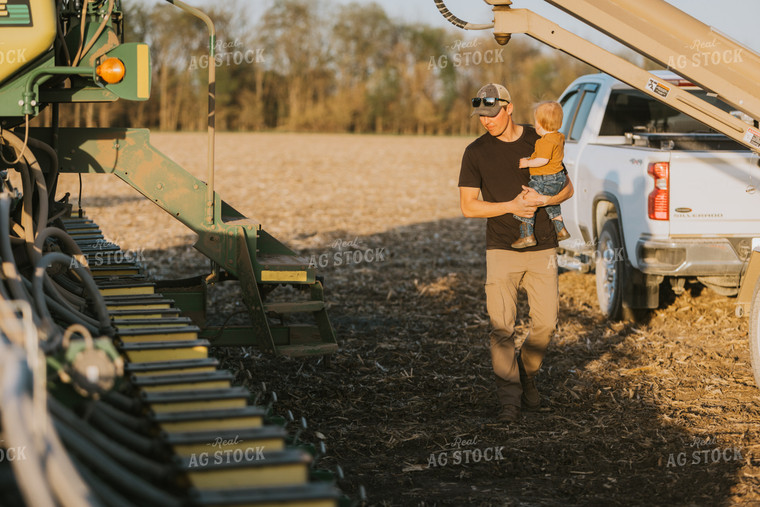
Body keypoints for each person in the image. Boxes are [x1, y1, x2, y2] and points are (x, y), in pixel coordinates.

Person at [458, 83, 574, 423]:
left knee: (547, 323)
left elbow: (566, 186)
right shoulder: (475, 152)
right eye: (481, 116)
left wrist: (544, 200)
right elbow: (468, 207)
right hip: (501, 249)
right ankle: (509, 399)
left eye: (492, 114)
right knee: (501, 328)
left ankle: (525, 375)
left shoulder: (539, 139)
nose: (487, 121)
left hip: (543, 247)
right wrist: (511, 206)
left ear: (509, 108)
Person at [512, 101, 571, 249]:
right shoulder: (559, 137)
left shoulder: (543, 142)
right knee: (552, 204)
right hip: (558, 179)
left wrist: (527, 163)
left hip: (544, 179)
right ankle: (561, 230)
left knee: (527, 199)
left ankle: (527, 235)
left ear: (539, 124)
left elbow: (542, 160)